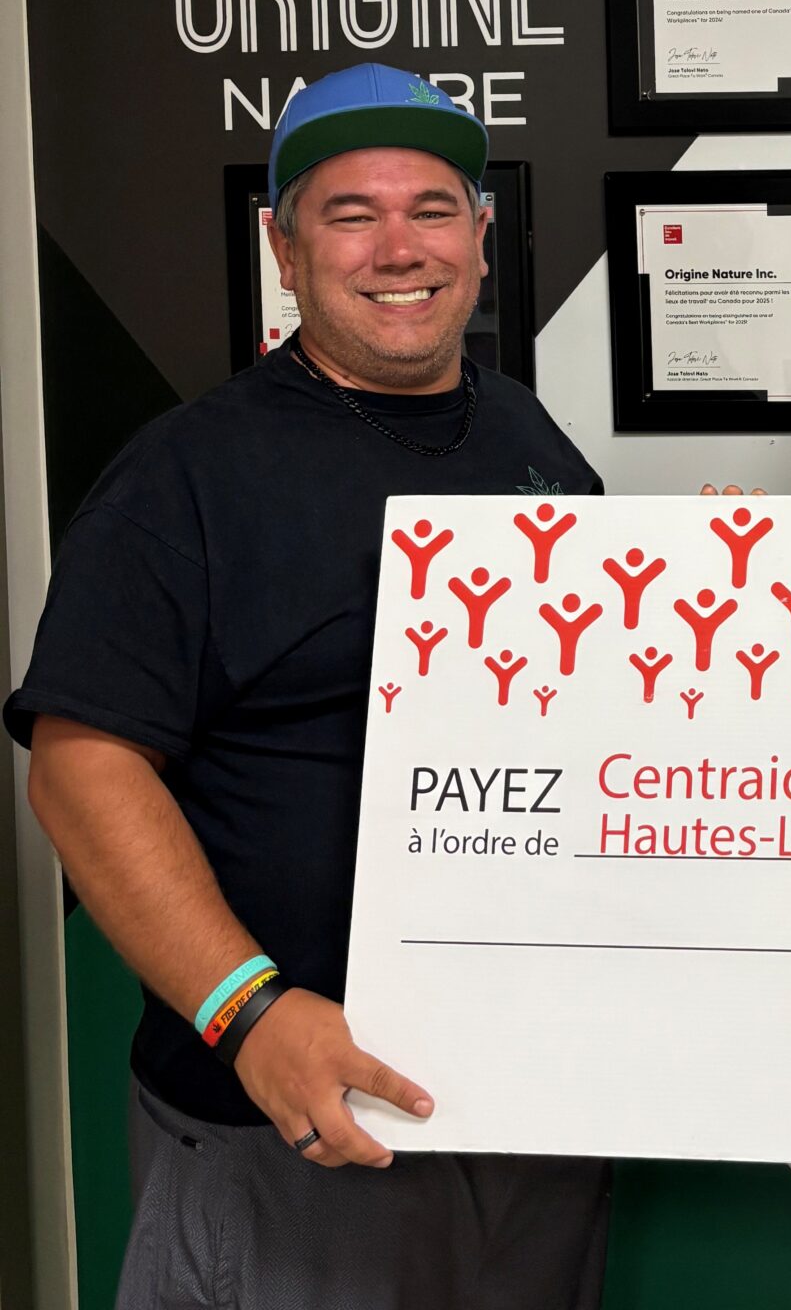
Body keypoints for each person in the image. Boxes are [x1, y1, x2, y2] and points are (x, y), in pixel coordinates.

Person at [7, 65, 611, 1310]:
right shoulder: (188, 475)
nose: (401, 247)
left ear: (482, 241)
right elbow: (79, 768)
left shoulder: (529, 443)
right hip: (289, 1121)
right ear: (284, 247)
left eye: (433, 209)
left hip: (519, 1116)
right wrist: (252, 1014)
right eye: (350, 214)